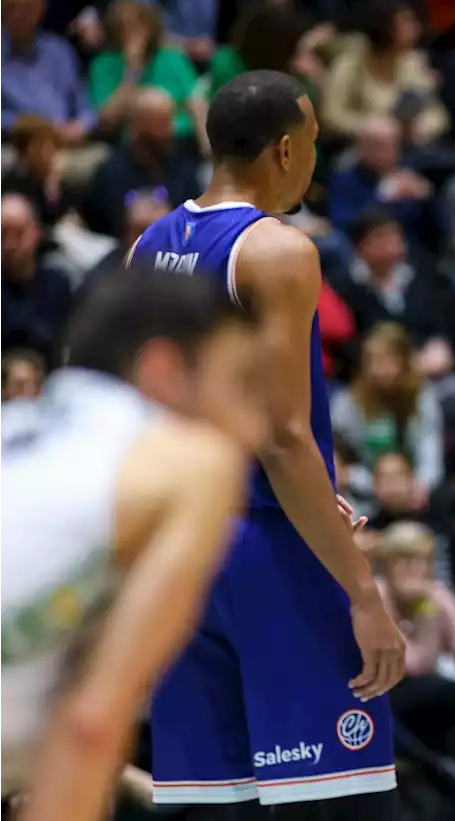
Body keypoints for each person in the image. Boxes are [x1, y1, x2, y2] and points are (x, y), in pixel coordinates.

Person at [128, 70, 404, 817]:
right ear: (286, 149)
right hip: (270, 548)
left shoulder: (150, 244)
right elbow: (284, 437)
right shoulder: (277, 250)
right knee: (332, 800)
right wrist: (363, 591)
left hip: (180, 553)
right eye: (313, 144)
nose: (316, 160)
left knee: (211, 806)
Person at [1, 269, 261, 821]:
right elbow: (91, 723)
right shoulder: (193, 462)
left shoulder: (18, 429)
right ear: (163, 371)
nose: (255, 426)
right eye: (239, 382)